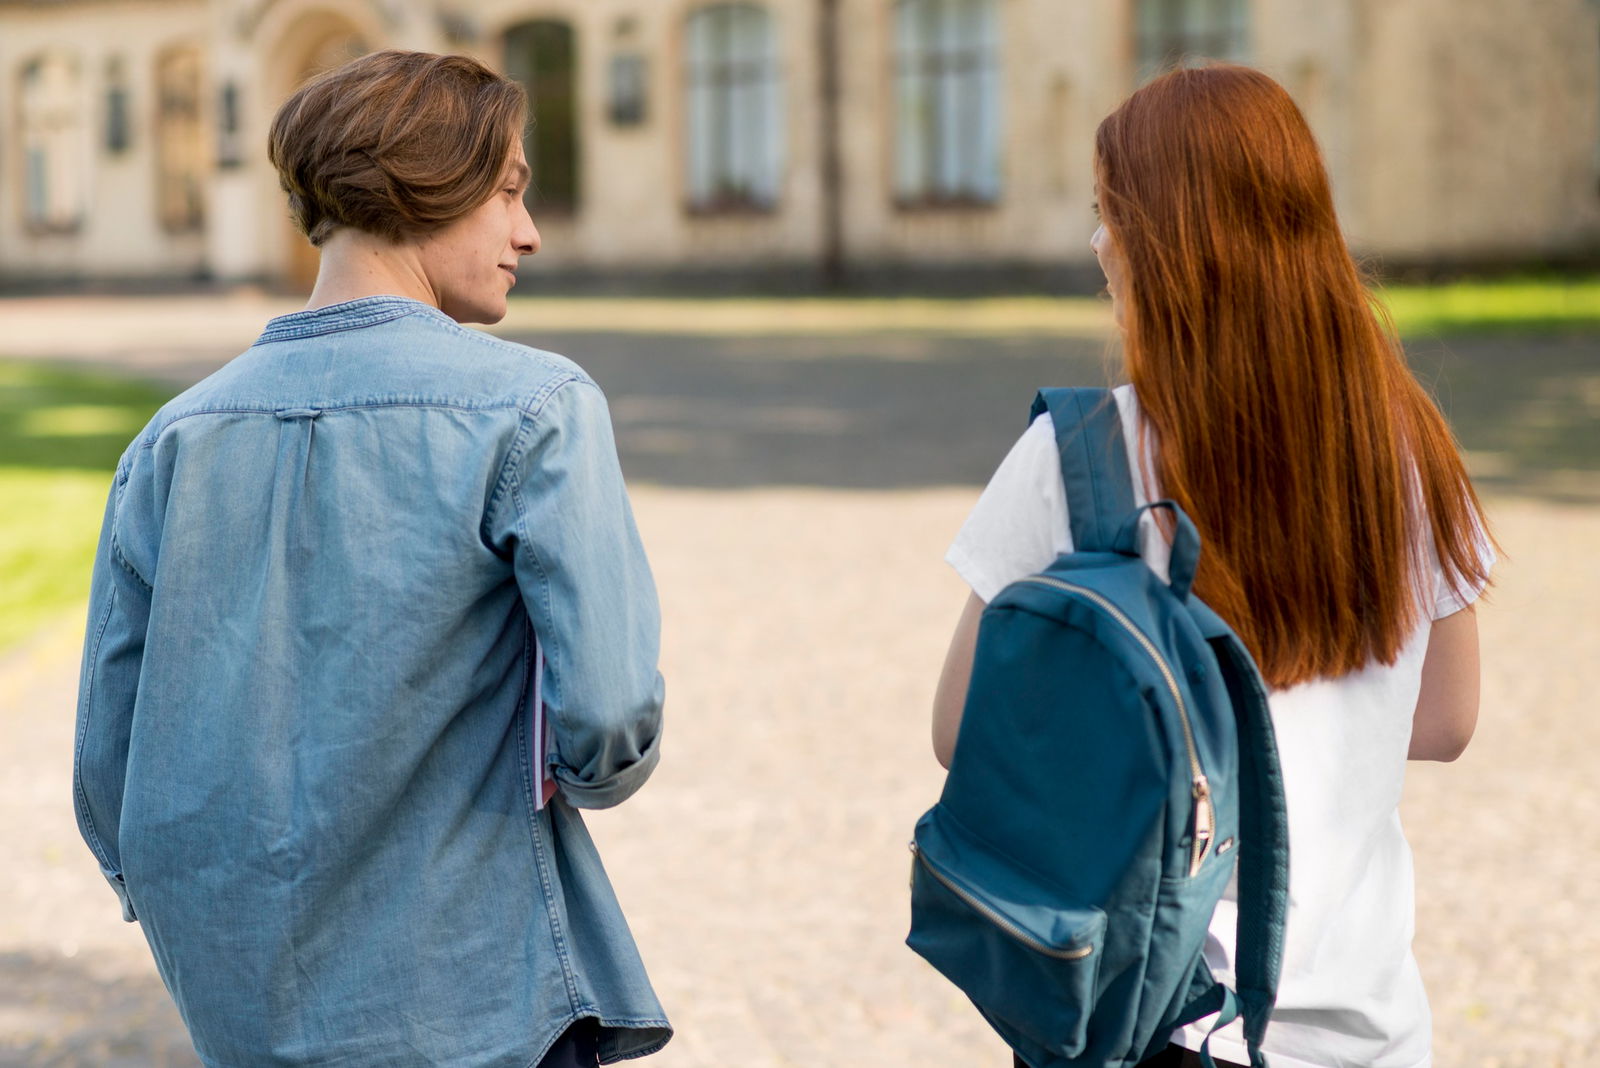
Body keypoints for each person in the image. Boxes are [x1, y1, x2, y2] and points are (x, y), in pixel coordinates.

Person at [72, 50, 668, 1067]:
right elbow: (606, 716)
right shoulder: (535, 407)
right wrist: (583, 773)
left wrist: (216, 930)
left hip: (245, 1017)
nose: (529, 232)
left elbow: (107, 774)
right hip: (480, 996)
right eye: (509, 191)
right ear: (427, 183)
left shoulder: (172, 439)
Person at [931, 64, 1494, 1068]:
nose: (1097, 244)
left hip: (1162, 1017)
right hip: (1372, 1028)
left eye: (1109, 214)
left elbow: (958, 731)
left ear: (1163, 244)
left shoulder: (1083, 455)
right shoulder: (1408, 444)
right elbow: (1445, 721)